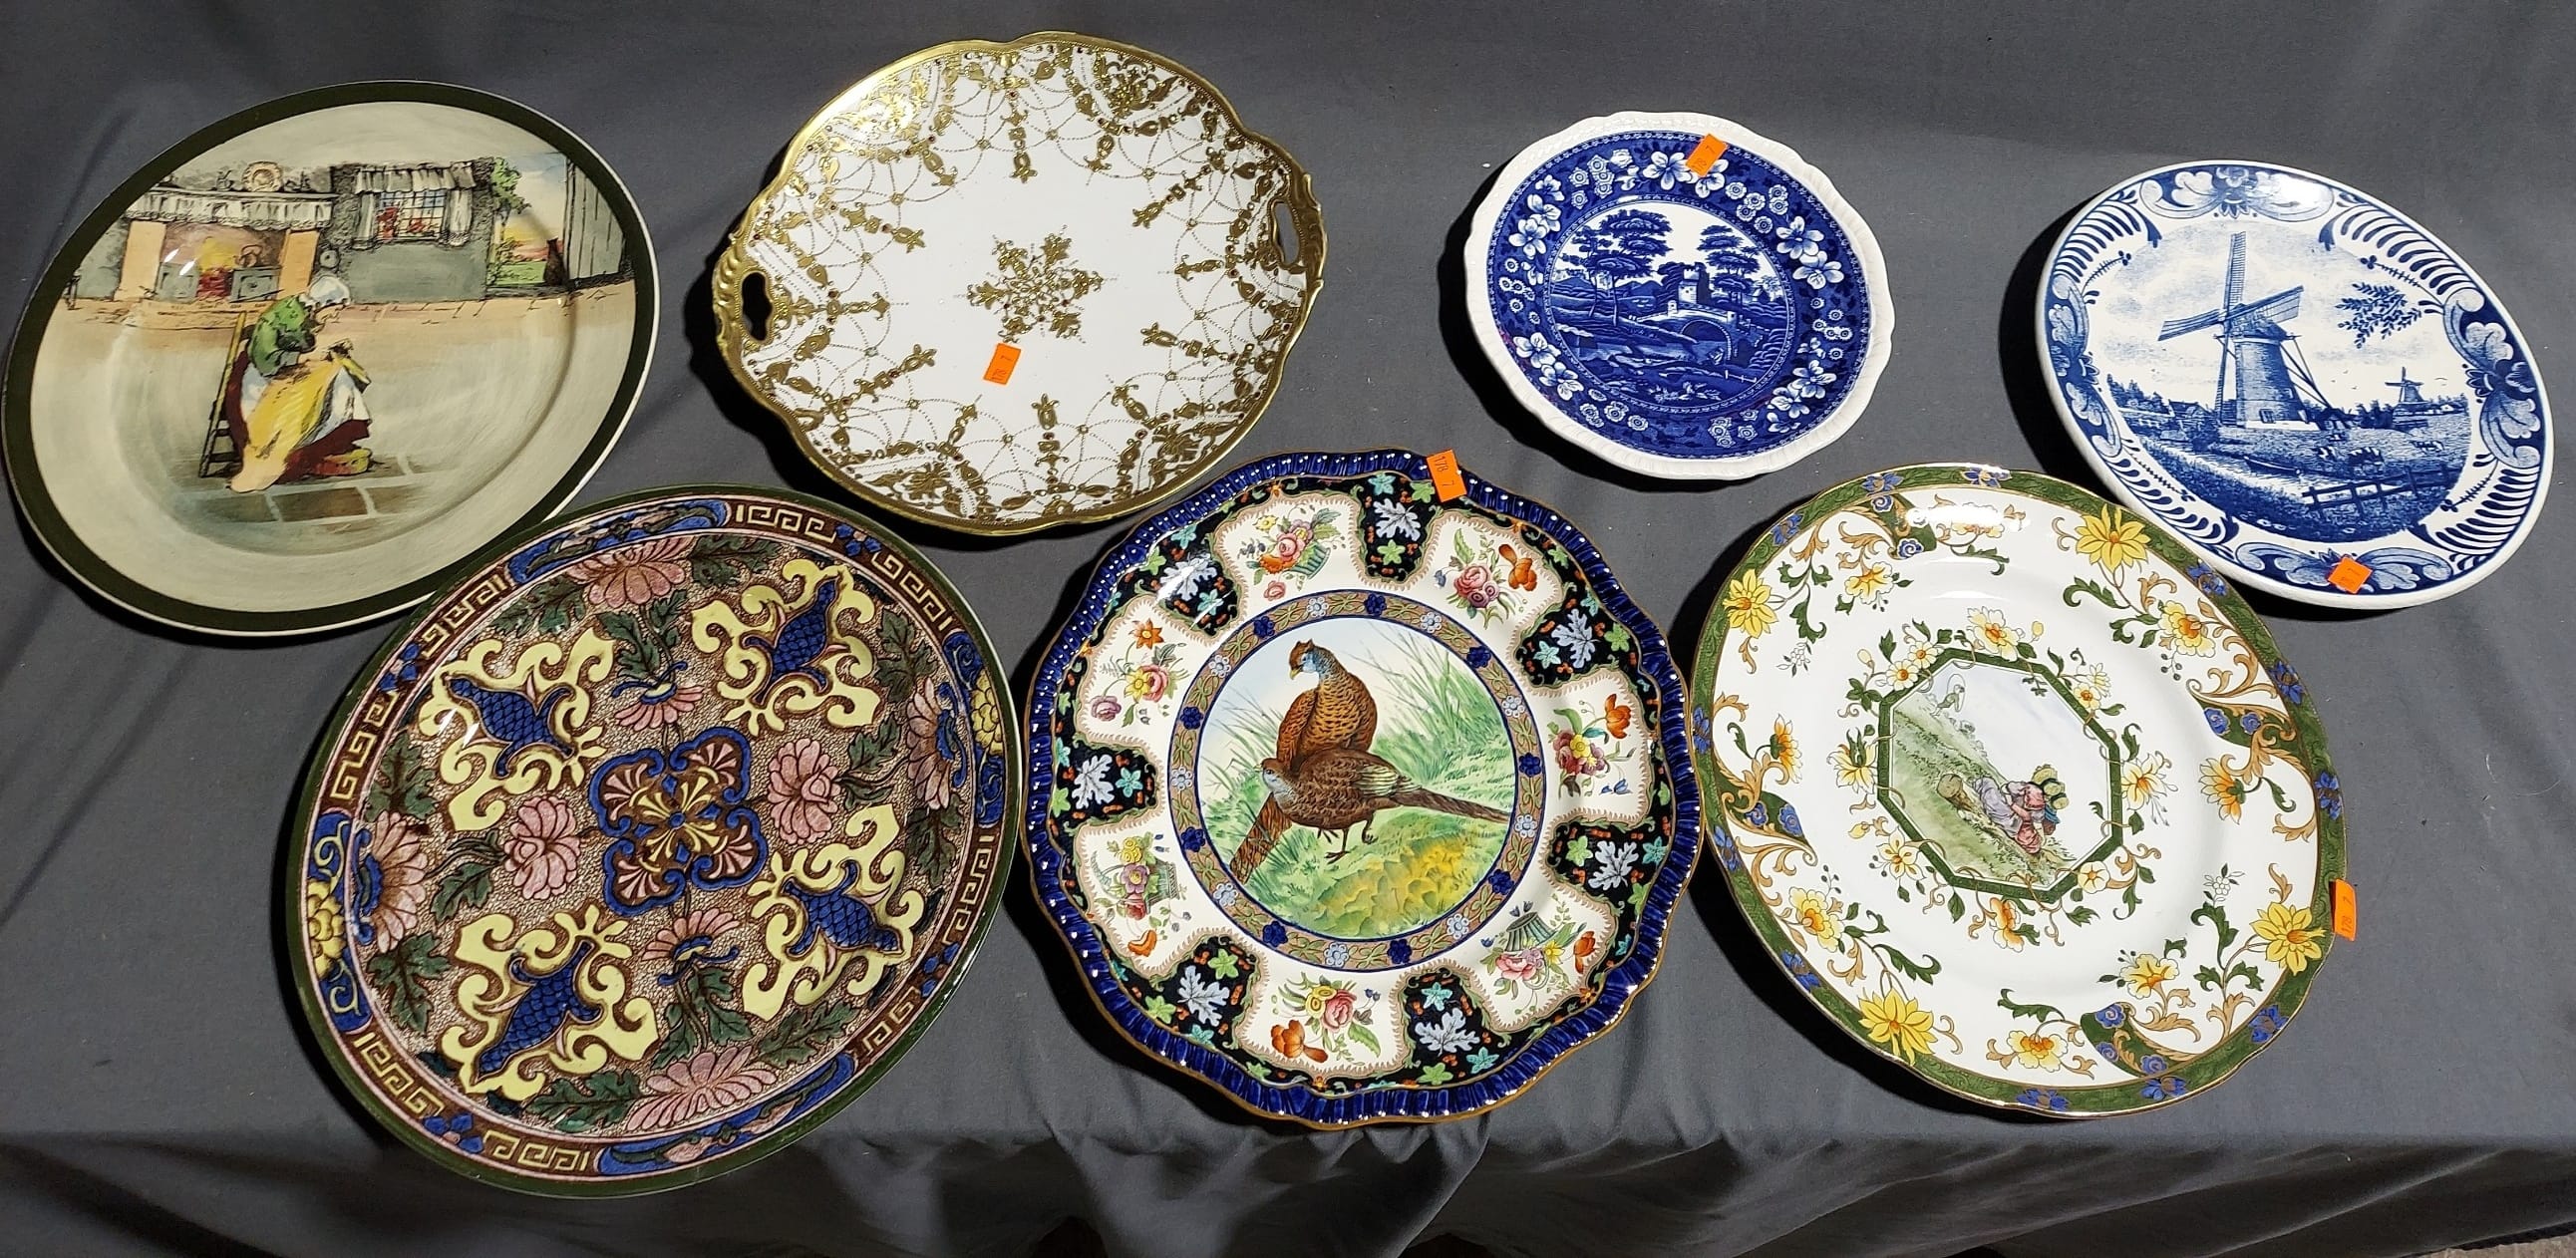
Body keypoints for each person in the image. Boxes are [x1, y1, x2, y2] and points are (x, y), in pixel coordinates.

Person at [224, 275, 375, 492]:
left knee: (337, 374)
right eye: (334, 310)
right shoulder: (279, 316)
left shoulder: (306, 313)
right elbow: (265, 360)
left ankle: (329, 444)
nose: (334, 316)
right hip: (260, 375)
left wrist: (328, 350)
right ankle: (295, 451)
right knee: (325, 384)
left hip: (287, 370)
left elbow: (304, 348)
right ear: (322, 303)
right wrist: (303, 358)